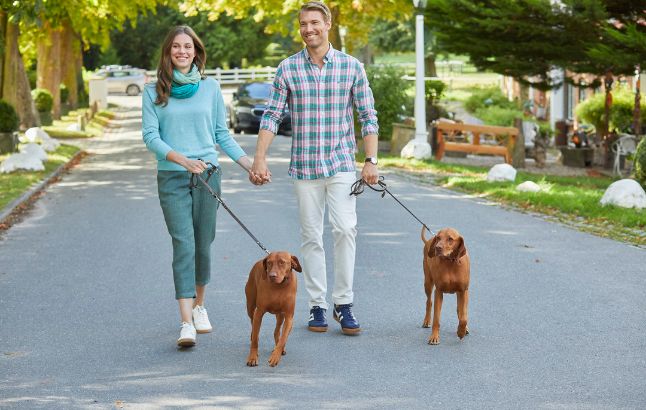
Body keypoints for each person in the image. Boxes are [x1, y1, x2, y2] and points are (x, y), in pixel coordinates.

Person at [250, 1, 379, 335]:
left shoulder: (351, 67)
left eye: (314, 23)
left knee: (345, 229)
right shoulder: (288, 69)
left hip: (341, 165)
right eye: (303, 24)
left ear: (328, 24)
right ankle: (317, 306)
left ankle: (344, 303)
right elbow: (272, 116)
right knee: (311, 237)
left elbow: (368, 116)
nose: (309, 29)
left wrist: (371, 161)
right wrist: (260, 158)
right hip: (305, 167)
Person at [142, 26, 257, 347]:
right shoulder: (152, 92)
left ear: (196, 52)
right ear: (167, 53)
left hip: (208, 176)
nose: (182, 51)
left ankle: (200, 306)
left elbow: (221, 134)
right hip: (172, 176)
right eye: (176, 47)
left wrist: (249, 164)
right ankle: (185, 322)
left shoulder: (210, 88)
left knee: (203, 243)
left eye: (187, 47)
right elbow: (151, 137)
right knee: (183, 244)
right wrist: (182, 160)